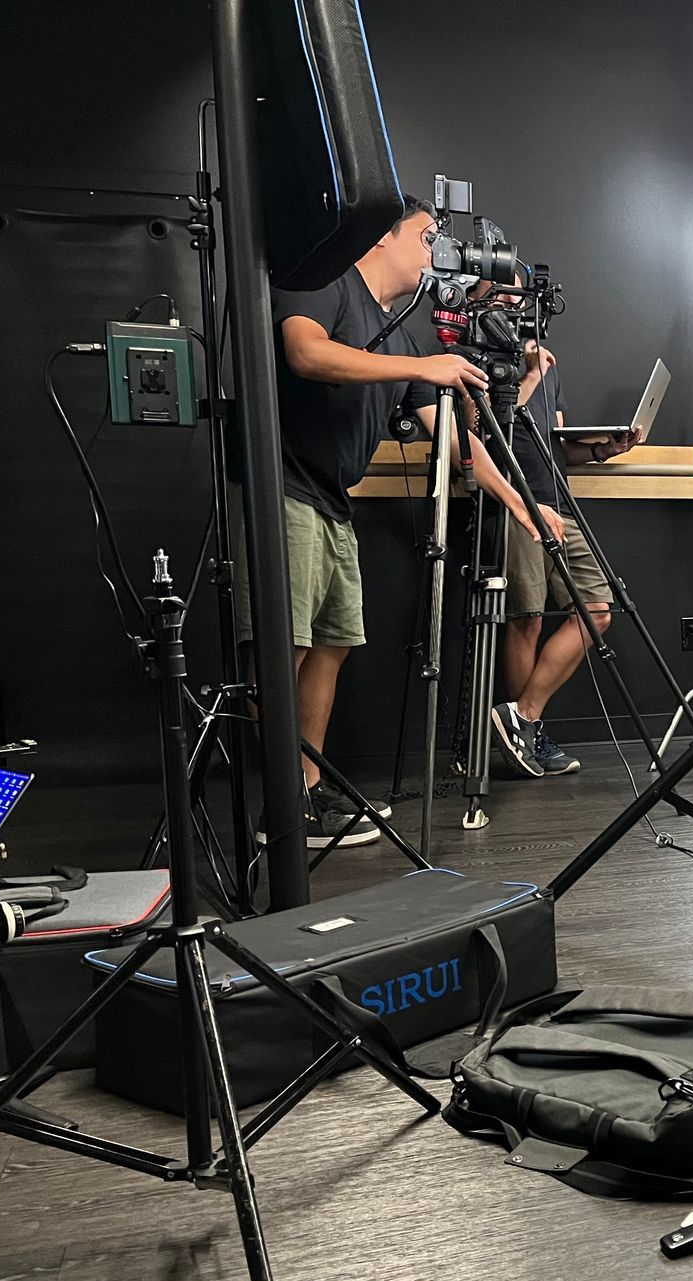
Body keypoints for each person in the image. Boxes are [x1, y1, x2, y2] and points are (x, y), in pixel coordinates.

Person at [240, 195, 560, 845]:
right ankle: (275, 802)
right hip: (283, 491)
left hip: (332, 499)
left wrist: (486, 416)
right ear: (380, 240)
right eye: (426, 236)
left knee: (330, 646)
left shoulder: (405, 333)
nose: (434, 251)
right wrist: (422, 367)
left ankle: (306, 791)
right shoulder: (326, 283)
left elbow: (455, 443)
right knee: (287, 648)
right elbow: (305, 353)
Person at [486, 332, 639, 777]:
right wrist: (530, 374)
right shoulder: (479, 359)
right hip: (516, 504)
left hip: (561, 505)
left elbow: (555, 445)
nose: (515, 308)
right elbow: (487, 435)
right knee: (527, 619)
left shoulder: (547, 364)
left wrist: (602, 449)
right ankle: (524, 741)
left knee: (597, 611)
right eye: (504, 294)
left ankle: (524, 720)